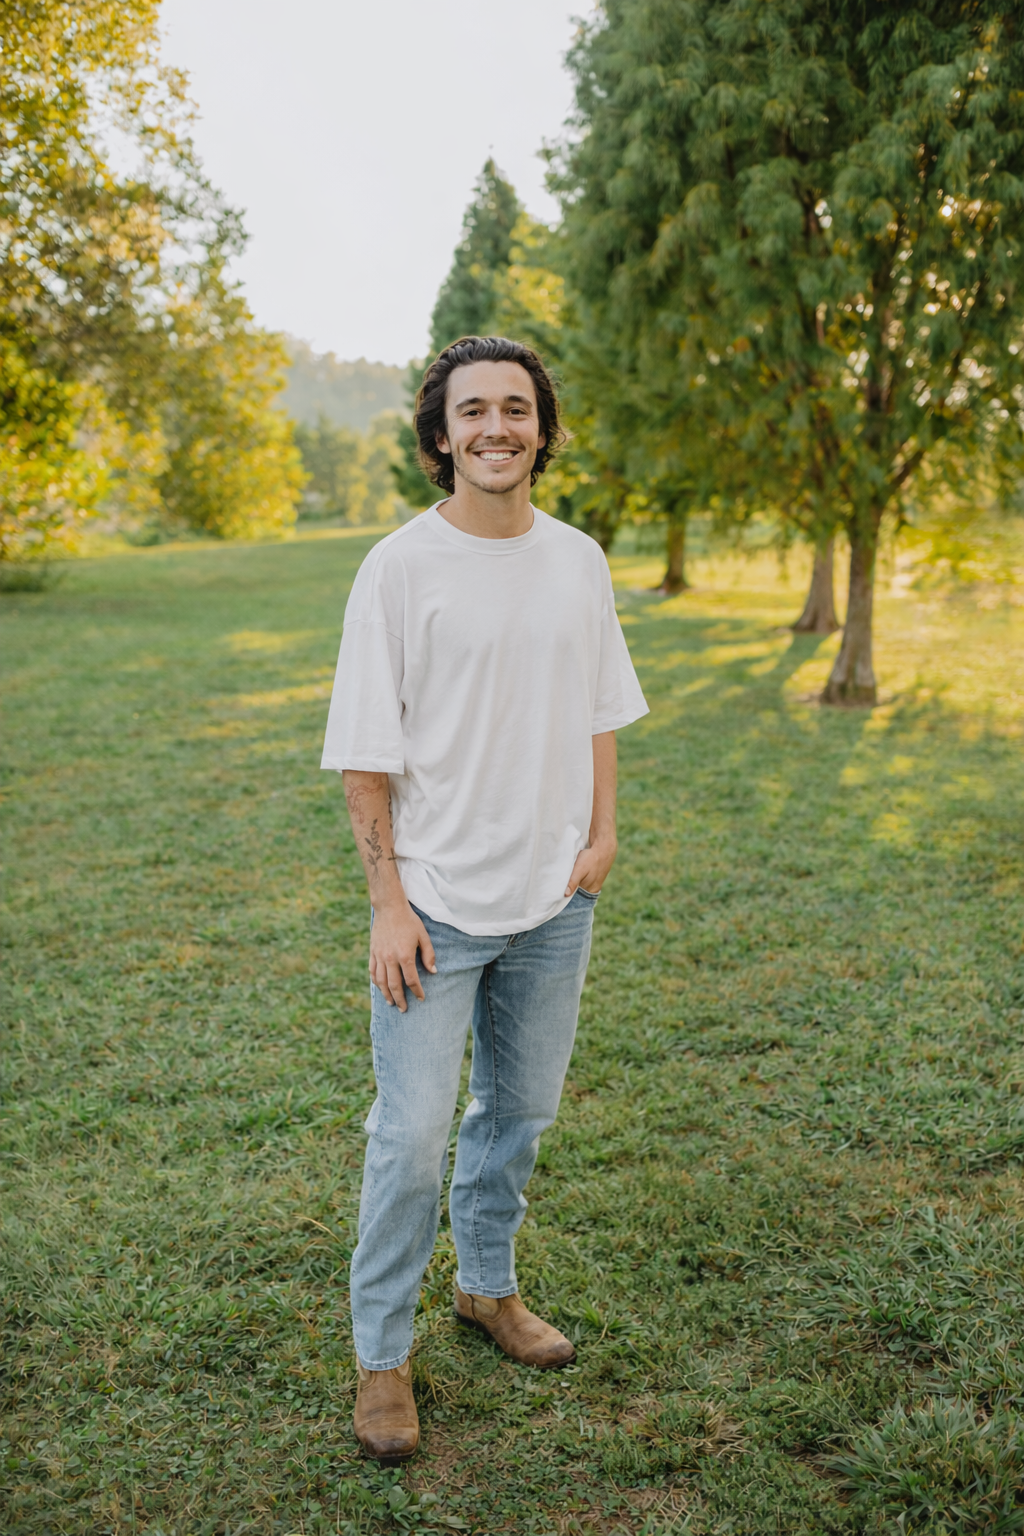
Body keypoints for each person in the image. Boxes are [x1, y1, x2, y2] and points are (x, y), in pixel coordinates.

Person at [321, 335, 648, 1464]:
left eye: (517, 407)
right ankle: (380, 1356)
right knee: (410, 1139)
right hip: (438, 908)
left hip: (555, 900)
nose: (496, 427)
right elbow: (366, 758)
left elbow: (599, 705)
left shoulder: (579, 559)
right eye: (474, 411)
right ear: (441, 435)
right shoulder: (399, 569)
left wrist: (601, 830)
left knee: (516, 1117)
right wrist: (388, 903)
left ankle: (487, 1289)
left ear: (542, 430)